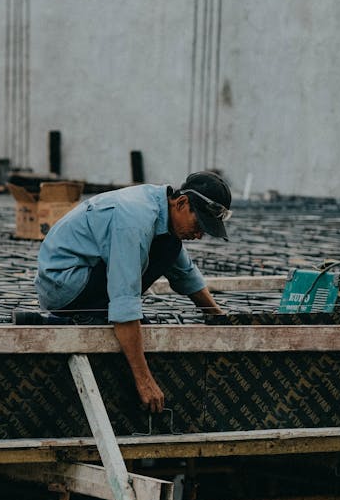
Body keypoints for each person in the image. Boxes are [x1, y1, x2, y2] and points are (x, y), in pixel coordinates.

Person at [34, 170, 232, 413]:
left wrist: (218, 317)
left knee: (170, 247)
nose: (200, 235)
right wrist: (144, 380)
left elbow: (185, 274)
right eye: (199, 224)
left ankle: (100, 314)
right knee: (131, 326)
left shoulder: (163, 213)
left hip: (90, 278)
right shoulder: (135, 218)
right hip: (64, 284)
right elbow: (124, 298)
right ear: (182, 203)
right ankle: (85, 315)